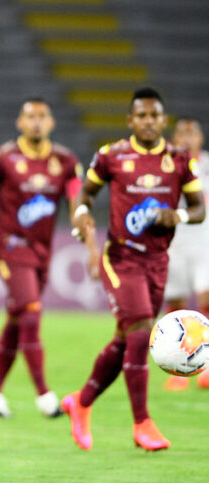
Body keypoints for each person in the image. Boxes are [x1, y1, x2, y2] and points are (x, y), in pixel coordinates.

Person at [63, 87, 205, 451]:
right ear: (130, 120)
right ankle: (142, 423)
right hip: (121, 257)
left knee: (126, 338)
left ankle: (81, 402)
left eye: (154, 115)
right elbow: (86, 194)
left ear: (163, 120)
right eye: (141, 115)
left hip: (158, 261)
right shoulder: (111, 156)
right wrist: (81, 215)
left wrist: (178, 215)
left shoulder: (179, 159)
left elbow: (199, 208)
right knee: (141, 327)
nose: (148, 121)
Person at [0, 98, 86, 418]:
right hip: (11, 248)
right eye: (30, 116)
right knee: (30, 311)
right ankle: (44, 395)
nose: (36, 122)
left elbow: (76, 204)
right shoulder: (2, 159)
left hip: (43, 252)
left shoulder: (66, 161)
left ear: (51, 122)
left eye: (42, 116)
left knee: (18, 318)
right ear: (20, 122)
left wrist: (86, 235)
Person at [161, 117, 209, 390]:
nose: (188, 139)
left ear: (200, 138)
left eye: (193, 134)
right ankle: (178, 368)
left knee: (206, 298)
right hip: (175, 246)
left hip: (205, 245)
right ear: (175, 138)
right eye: (182, 134)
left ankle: (207, 366)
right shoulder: (166, 166)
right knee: (176, 307)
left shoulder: (207, 165)